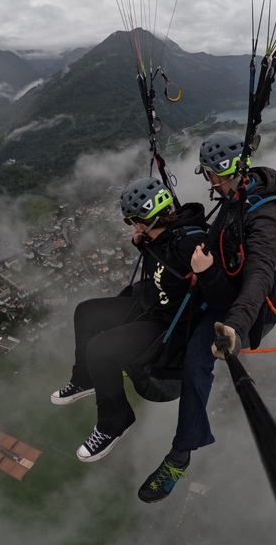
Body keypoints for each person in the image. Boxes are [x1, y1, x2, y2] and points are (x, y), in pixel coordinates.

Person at [137, 131, 276, 503]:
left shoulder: (264, 215)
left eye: (212, 174)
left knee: (196, 360)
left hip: (233, 306)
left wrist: (235, 326)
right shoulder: (238, 195)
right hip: (213, 284)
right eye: (207, 174)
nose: (210, 182)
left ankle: (179, 455)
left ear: (231, 171)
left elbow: (259, 276)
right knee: (150, 301)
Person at [51, 176, 208, 462]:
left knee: (100, 348)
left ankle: (115, 421)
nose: (133, 227)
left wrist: (208, 272)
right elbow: (167, 268)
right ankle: (84, 379)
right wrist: (142, 245)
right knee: (85, 312)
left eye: (134, 221)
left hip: (170, 327)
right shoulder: (161, 235)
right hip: (152, 303)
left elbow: (214, 290)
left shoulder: (191, 245)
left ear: (150, 218)